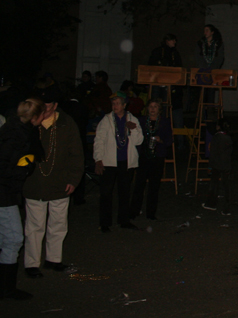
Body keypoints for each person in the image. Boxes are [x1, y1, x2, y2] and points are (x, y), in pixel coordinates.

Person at [23, 87, 83, 279]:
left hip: (60, 183)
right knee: (34, 226)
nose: (44, 111)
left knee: (57, 224)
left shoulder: (66, 123)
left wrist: (74, 179)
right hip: (35, 183)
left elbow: (76, 154)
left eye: (47, 107)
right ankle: (31, 263)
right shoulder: (30, 122)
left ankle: (53, 259)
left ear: (55, 105)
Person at [0, 98, 44, 299]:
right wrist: (24, 168)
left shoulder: (18, 128)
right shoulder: (16, 135)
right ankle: (7, 289)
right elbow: (5, 167)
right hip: (4, 194)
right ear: (35, 117)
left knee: (6, 238)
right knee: (14, 239)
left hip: (7, 192)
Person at [94, 92, 143, 232]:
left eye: (117, 103)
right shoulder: (107, 120)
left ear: (124, 105)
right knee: (106, 193)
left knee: (125, 192)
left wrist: (132, 129)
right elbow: (99, 141)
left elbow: (139, 141)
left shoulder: (132, 119)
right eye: (113, 103)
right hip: (109, 161)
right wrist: (98, 159)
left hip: (126, 162)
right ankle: (105, 223)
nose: (114, 106)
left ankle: (124, 220)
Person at [130, 100, 173, 221]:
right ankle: (134, 210)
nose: (153, 109)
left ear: (159, 109)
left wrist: (161, 140)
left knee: (154, 186)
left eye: (155, 107)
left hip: (157, 157)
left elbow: (169, 139)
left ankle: (151, 212)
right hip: (144, 156)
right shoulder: (141, 121)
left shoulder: (164, 122)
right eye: (151, 107)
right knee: (139, 184)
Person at [203, 118, 233, 215]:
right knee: (226, 186)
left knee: (214, 185)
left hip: (216, 164)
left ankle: (211, 204)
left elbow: (213, 153)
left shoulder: (216, 137)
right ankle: (227, 207)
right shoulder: (228, 138)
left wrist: (210, 166)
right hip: (226, 165)